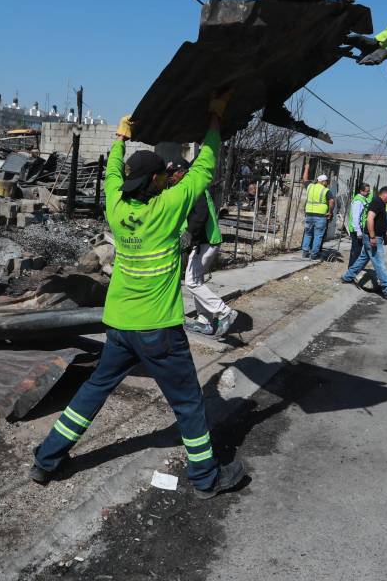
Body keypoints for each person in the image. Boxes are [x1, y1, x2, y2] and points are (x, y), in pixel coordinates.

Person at [31, 92, 248, 499]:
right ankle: (206, 478)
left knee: (93, 391)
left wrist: (118, 139)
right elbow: (205, 167)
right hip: (158, 331)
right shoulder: (169, 207)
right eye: (162, 174)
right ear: (154, 181)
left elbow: (113, 175)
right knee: (188, 404)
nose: (167, 176)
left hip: (119, 327)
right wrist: (215, 121)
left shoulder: (115, 206)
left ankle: (46, 459)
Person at [167, 157, 238, 339]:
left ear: (181, 171)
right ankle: (204, 322)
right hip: (203, 243)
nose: (170, 177)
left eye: (172, 173)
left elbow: (200, 216)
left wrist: (189, 236)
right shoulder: (188, 186)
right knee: (196, 281)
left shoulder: (195, 188)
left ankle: (224, 312)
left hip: (205, 243)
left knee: (192, 282)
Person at [342, 186, 387, 299]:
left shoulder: (380, 203)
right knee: (379, 263)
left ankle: (347, 277)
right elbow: (370, 219)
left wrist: (384, 235)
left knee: (363, 259)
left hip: (376, 236)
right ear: (385, 194)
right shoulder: (377, 202)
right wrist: (372, 237)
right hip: (372, 237)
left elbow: (379, 221)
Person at [300, 174, 334, 260]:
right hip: (320, 215)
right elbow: (332, 201)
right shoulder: (326, 190)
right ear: (323, 181)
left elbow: (304, 179)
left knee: (308, 234)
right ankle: (314, 254)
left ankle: (305, 252)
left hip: (309, 214)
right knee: (318, 235)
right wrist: (330, 212)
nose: (327, 183)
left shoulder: (310, 186)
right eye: (326, 181)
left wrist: (307, 167)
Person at [345, 182, 372, 267]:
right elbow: (356, 217)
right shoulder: (358, 201)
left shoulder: (363, 199)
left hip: (359, 229)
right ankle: (351, 269)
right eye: (367, 191)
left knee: (358, 250)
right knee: (356, 250)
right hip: (356, 230)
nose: (369, 193)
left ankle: (353, 269)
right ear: (361, 191)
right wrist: (358, 231)